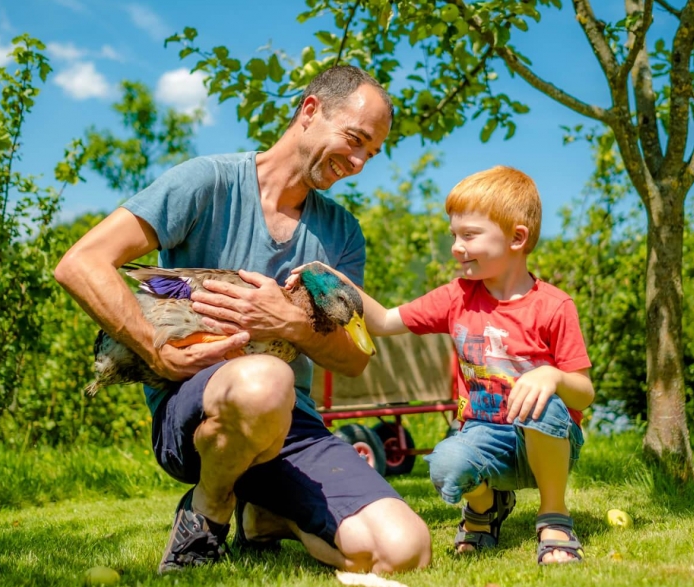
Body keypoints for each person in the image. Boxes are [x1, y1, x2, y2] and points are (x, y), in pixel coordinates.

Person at [54, 65, 431, 575]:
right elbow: (81, 263)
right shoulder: (206, 182)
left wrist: (290, 324)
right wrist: (157, 351)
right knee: (265, 380)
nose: (360, 161)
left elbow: (355, 358)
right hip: (198, 413)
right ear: (310, 110)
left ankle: (267, 516)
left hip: (292, 426)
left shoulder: (341, 232)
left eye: (372, 151)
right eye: (355, 139)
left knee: (405, 549)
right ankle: (207, 513)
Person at [294, 165, 594, 564]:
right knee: (445, 464)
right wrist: (332, 280)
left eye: (469, 235)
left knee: (547, 404)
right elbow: (383, 322)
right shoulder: (457, 297)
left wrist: (552, 375)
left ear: (517, 238)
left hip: (547, 440)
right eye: (454, 234)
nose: (457, 246)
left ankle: (554, 516)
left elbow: (584, 392)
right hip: (484, 436)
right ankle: (485, 508)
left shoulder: (555, 306)